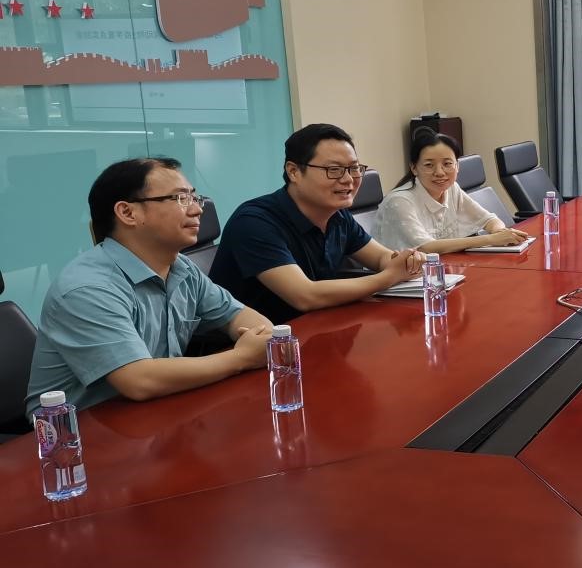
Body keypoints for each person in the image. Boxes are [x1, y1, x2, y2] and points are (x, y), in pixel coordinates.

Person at [26, 158, 274, 415]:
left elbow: (248, 321)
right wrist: (241, 357)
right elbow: (139, 381)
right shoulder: (87, 288)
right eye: (180, 198)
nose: (197, 209)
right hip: (78, 429)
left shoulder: (181, 268)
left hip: (155, 410)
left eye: (195, 197)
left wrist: (258, 340)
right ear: (128, 213)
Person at [209, 123, 424, 322]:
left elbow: (381, 258)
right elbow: (305, 296)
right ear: (294, 172)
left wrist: (407, 261)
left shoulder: (338, 216)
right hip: (255, 343)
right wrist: (388, 277)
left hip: (318, 327)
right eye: (334, 170)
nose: (348, 179)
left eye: (354, 168)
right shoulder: (254, 222)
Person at [373, 131, 530, 253]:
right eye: (429, 165)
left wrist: (500, 233)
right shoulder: (399, 201)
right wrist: (491, 239)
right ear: (414, 168)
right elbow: (426, 247)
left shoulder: (452, 188)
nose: (439, 172)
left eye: (447, 164)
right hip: (400, 280)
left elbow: (488, 220)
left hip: (443, 272)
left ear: (457, 166)